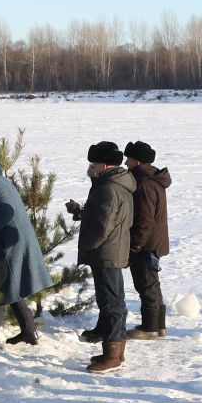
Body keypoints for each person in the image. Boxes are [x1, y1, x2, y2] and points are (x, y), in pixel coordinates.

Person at [0, 157, 51, 350]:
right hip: (8, 241)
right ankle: (25, 330)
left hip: (12, 243)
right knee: (6, 286)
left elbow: (6, 212)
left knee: (4, 284)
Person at [70, 143, 135, 371]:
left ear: (104, 164)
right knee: (110, 300)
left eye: (94, 164)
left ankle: (114, 356)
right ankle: (114, 351)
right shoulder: (115, 184)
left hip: (107, 252)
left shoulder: (109, 188)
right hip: (110, 250)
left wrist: (87, 246)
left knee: (112, 302)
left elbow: (103, 226)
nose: (92, 167)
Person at [122, 141, 172, 340]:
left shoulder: (143, 183)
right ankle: (158, 326)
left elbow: (145, 220)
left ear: (138, 160)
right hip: (154, 242)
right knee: (153, 284)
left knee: (146, 284)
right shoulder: (151, 179)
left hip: (147, 244)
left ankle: (149, 328)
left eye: (129, 158)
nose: (126, 162)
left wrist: (136, 245)